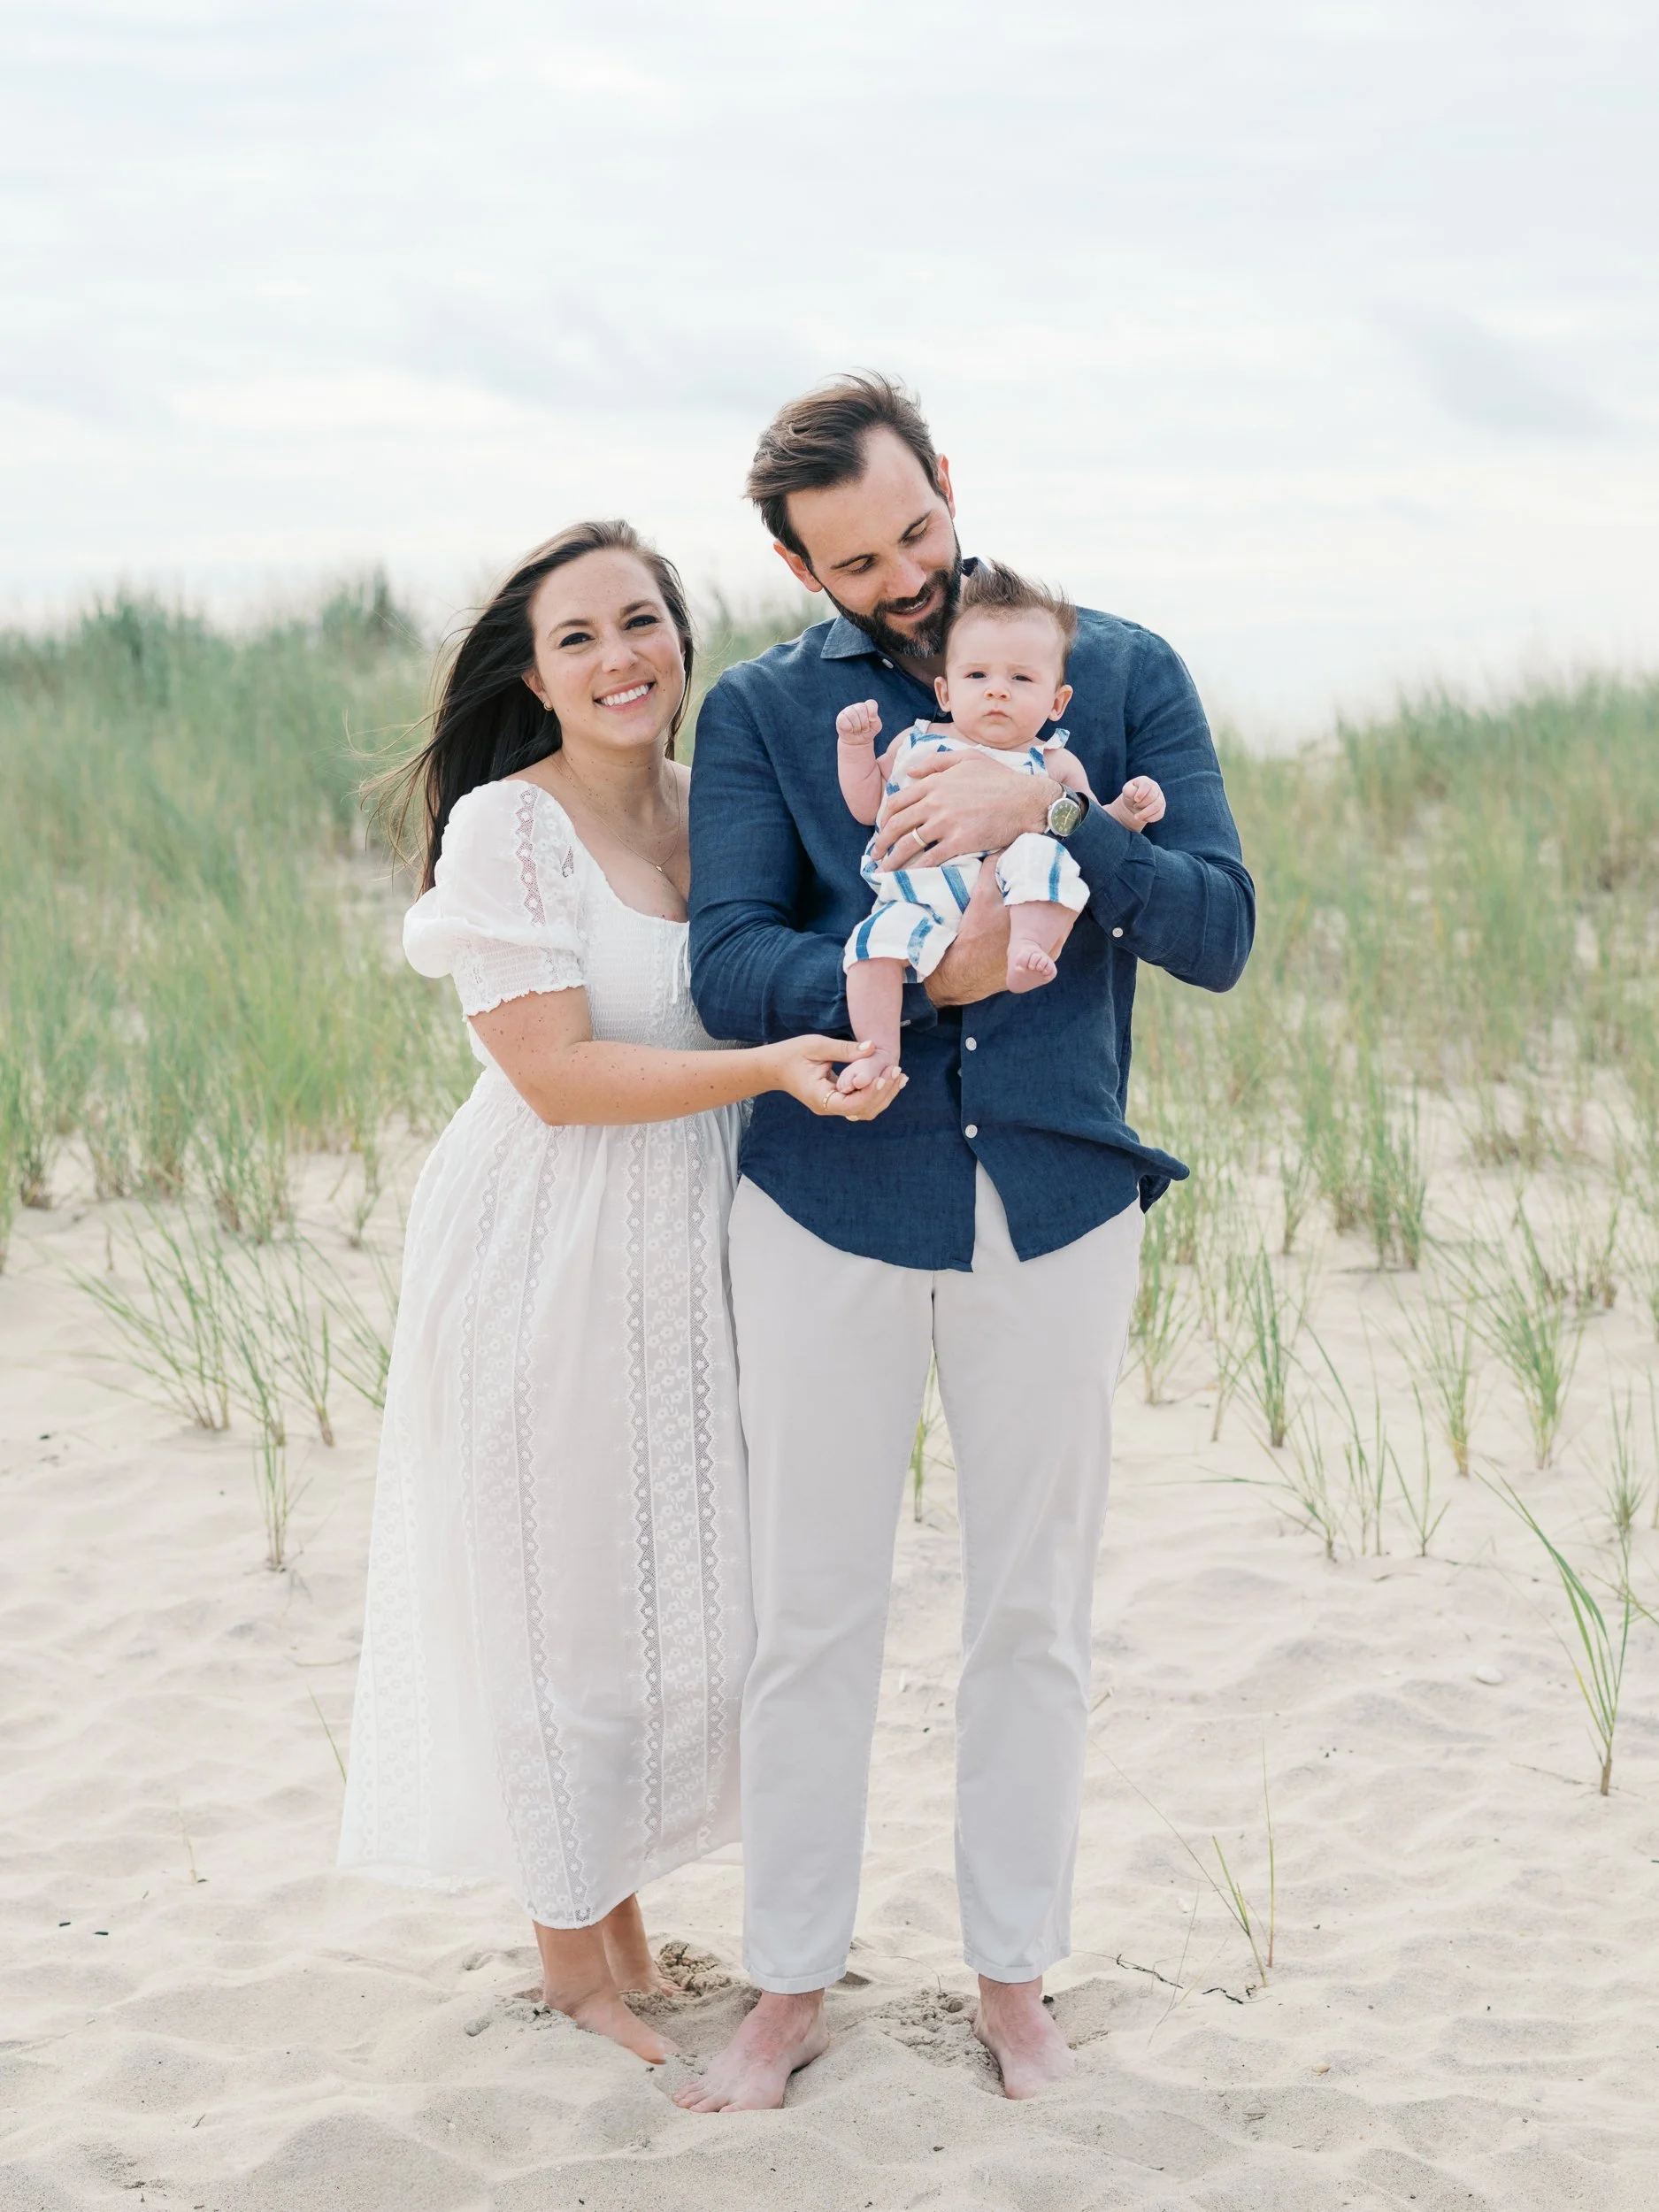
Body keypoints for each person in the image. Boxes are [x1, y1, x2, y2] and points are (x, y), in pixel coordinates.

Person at [678, 375, 1254, 2108]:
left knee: (1031, 1614)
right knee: (810, 1614)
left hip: (1056, 1205)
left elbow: (1219, 928)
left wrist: (1050, 818)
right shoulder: (761, 708)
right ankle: (787, 1986)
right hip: (825, 1209)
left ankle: (1016, 1983)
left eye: (916, 530)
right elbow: (729, 958)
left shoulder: (1119, 669)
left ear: (946, 478)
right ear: (799, 568)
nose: (905, 577)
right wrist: (920, 969)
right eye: (858, 563)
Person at [337, 519, 902, 2069]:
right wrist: (770, 1066)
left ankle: (628, 1932)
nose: (618, 659)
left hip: (692, 1236)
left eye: (639, 621)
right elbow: (557, 1074)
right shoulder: (508, 830)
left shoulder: (711, 804)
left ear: (682, 634)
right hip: (550, 1234)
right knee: (559, 1596)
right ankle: (571, 1969)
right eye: (576, 638)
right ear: (532, 675)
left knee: (668, 1597)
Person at [835, 559, 1165, 1091]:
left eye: (1021, 678)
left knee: (1046, 856)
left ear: (1056, 702)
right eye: (977, 676)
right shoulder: (915, 741)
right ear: (945, 692)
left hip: (1010, 893)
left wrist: (1128, 810)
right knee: (870, 948)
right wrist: (855, 747)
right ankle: (877, 1053)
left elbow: (1090, 825)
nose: (997, 691)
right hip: (915, 898)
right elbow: (865, 803)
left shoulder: (1052, 763)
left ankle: (1026, 947)